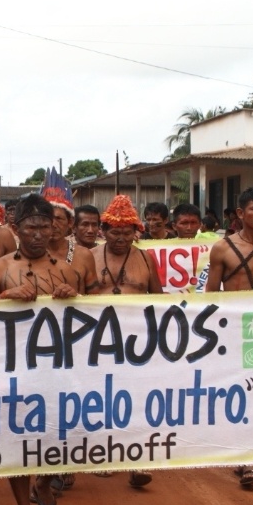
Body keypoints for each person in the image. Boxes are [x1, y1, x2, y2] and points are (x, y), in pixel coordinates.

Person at [0, 194, 82, 505]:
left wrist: (72, 296)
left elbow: (83, 321)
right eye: (30, 227)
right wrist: (5, 298)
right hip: (14, 370)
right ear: (16, 229)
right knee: (18, 444)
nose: (38, 234)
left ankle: (44, 482)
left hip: (56, 368)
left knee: (61, 436)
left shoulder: (65, 269)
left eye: (44, 227)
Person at [204, 186, 253, 488]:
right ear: (240, 213)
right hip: (232, 329)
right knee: (239, 389)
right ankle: (243, 454)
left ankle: (250, 452)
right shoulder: (222, 248)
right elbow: (210, 294)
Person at [91, 195, 162, 489]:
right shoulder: (89, 257)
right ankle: (103, 452)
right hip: (95, 341)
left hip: (136, 343)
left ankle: (136, 459)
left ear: (136, 232)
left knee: (135, 400)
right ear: (103, 231)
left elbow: (158, 298)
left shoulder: (146, 258)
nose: (120, 239)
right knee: (99, 399)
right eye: (114, 233)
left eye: (126, 233)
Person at [42, 182, 99, 294]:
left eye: (59, 219)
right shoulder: (29, 254)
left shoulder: (84, 255)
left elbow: (94, 300)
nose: (53, 224)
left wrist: (75, 297)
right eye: (48, 218)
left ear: (70, 222)